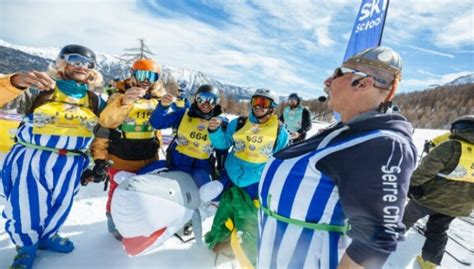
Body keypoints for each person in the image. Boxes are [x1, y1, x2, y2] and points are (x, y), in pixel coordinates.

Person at [257, 46, 418, 269]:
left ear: (363, 83)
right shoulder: (348, 132)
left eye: (337, 73)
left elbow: (376, 239)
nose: (327, 81)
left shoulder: (383, 145)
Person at [1, 44, 104, 269]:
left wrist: (100, 161)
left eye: (88, 64)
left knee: (61, 204)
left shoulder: (94, 101)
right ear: (60, 63)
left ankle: (48, 236)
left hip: (71, 163)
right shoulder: (41, 89)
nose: (81, 66)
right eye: (75, 60)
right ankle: (26, 248)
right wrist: (15, 82)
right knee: (25, 206)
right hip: (32, 158)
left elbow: (104, 131)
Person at [82, 58, 165, 241]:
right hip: (121, 157)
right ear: (133, 74)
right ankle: (115, 226)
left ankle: (137, 221)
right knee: (118, 193)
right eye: (142, 74)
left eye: (151, 76)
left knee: (143, 194)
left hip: (147, 158)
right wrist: (123, 102)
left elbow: (156, 130)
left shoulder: (157, 99)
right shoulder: (118, 95)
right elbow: (105, 123)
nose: (146, 79)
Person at [204, 88, 289, 267]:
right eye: (255, 101)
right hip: (232, 173)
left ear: (272, 107)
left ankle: (247, 252)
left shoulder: (279, 132)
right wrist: (215, 131)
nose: (258, 106)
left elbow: (279, 159)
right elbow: (224, 143)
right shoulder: (240, 123)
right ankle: (220, 243)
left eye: (264, 103)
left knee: (249, 217)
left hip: (255, 180)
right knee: (226, 210)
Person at [402, 115, 474, 269]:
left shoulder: (451, 146)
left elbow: (425, 170)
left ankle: (383, 244)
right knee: (438, 231)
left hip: (427, 198)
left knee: (405, 220)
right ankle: (429, 262)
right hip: (457, 206)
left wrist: (412, 185)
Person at [147, 84, 225, 188]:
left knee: (207, 193)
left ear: (216, 103)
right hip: (175, 165)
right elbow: (157, 123)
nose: (206, 103)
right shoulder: (183, 114)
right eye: (202, 98)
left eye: (211, 100)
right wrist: (163, 107)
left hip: (200, 170)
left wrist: (220, 171)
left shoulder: (219, 123)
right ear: (196, 99)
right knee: (143, 175)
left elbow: (222, 150)